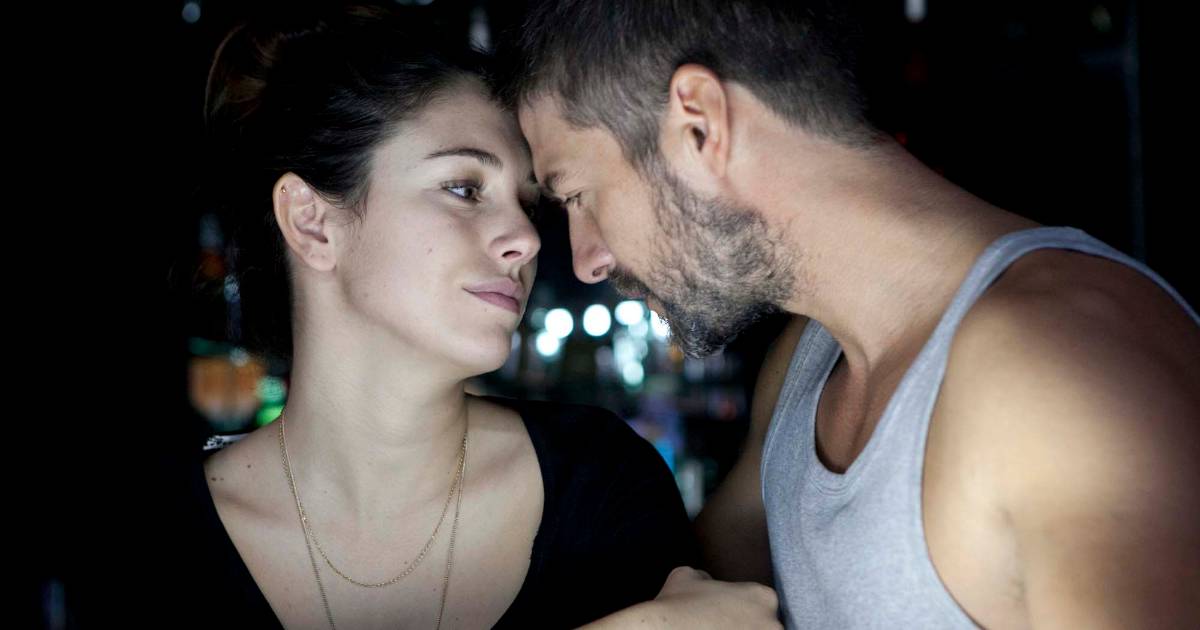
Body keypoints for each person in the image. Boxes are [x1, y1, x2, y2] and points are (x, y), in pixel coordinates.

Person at [504, 0, 1200, 626]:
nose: (587, 259)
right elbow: (690, 591)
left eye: (577, 196)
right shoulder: (809, 359)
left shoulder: (1059, 375)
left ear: (699, 124)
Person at [195, 3, 712, 627]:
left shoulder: (601, 482)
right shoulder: (162, 537)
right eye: (465, 189)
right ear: (312, 223)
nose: (527, 238)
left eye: (529, 204)